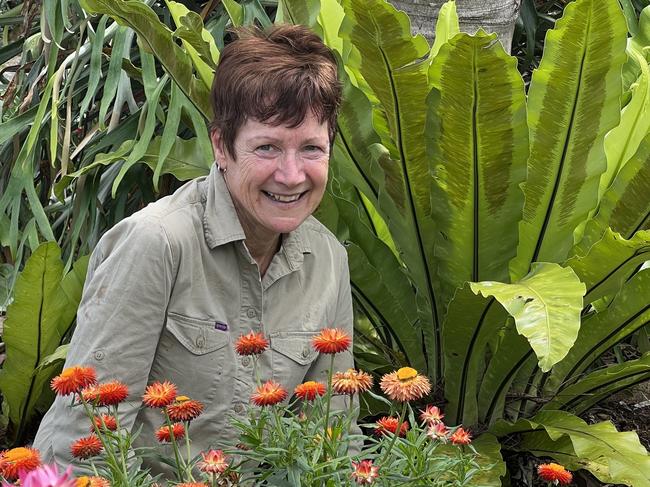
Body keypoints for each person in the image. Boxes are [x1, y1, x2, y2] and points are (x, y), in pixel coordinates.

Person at [34, 24, 357, 477]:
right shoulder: (157, 244)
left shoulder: (327, 261)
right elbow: (84, 438)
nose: (291, 174)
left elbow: (332, 436)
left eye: (311, 149)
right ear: (222, 145)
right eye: (267, 147)